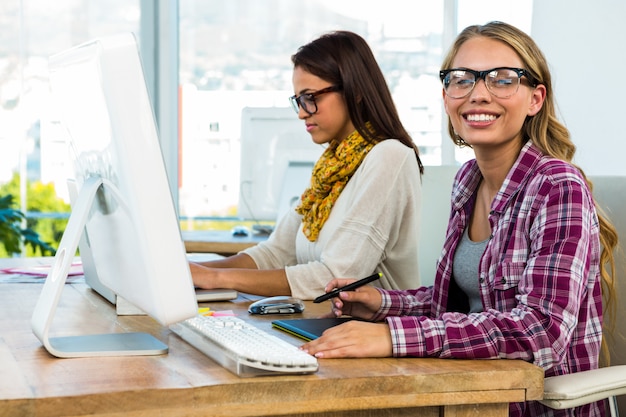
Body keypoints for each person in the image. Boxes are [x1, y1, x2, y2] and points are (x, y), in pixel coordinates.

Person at [301, 21, 618, 417]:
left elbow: (542, 332)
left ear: (536, 98)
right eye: (461, 79)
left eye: (503, 80)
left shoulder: (557, 186)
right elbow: (460, 305)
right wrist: (382, 303)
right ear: (446, 94)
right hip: (467, 396)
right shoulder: (468, 181)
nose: (478, 94)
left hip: (530, 407)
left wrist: (392, 337)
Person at [191, 30, 424, 300]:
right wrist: (195, 272)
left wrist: (215, 277)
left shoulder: (389, 157)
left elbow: (335, 278)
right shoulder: (333, 165)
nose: (302, 112)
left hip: (374, 333)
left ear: (355, 92)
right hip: (326, 322)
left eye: (310, 98)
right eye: (299, 100)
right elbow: (276, 253)